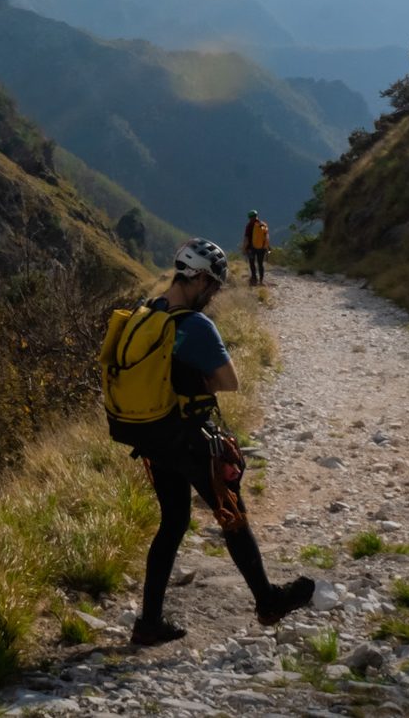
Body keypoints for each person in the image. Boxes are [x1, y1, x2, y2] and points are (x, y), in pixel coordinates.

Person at [117, 238, 314, 645]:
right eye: (215, 287)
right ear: (203, 279)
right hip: (190, 437)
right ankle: (268, 600)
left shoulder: (146, 312)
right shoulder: (195, 324)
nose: (213, 295)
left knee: (172, 523)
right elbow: (230, 382)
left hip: (153, 435)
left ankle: (149, 621)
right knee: (231, 514)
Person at [243, 209, 270, 286]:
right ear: (257, 216)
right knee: (260, 264)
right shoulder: (263, 224)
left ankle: (254, 279)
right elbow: (267, 237)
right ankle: (261, 281)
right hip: (262, 248)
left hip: (251, 248)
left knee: (252, 263)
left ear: (249, 217)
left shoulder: (249, 225)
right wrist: (267, 247)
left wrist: (244, 248)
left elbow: (246, 239)